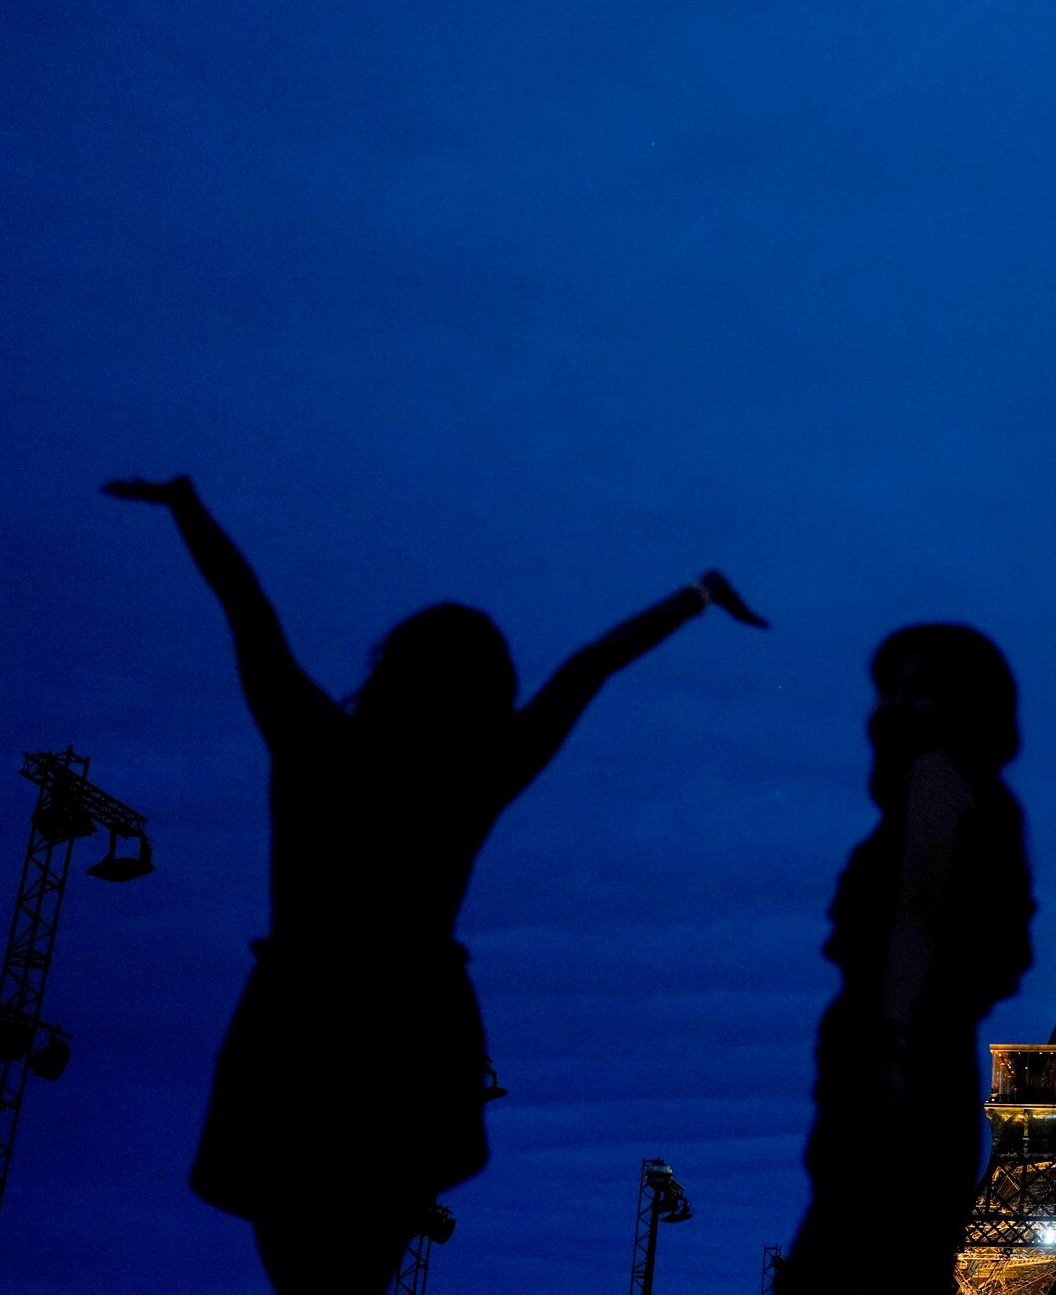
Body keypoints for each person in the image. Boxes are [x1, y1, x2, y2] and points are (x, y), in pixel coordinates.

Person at [105, 474, 764, 1295]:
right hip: (414, 1023)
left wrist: (187, 509)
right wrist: (695, 595)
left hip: (300, 1010)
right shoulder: (480, 771)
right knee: (366, 1257)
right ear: (490, 690)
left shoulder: (314, 740)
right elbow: (589, 668)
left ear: (392, 668)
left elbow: (248, 607)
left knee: (298, 1249)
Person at [779, 625, 1035, 1294]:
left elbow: (917, 907)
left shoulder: (935, 774)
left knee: (844, 1258)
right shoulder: (995, 805)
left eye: (916, 689)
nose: (890, 706)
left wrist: (889, 1044)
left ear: (959, 704)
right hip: (940, 1060)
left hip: (900, 1054)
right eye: (889, 689)